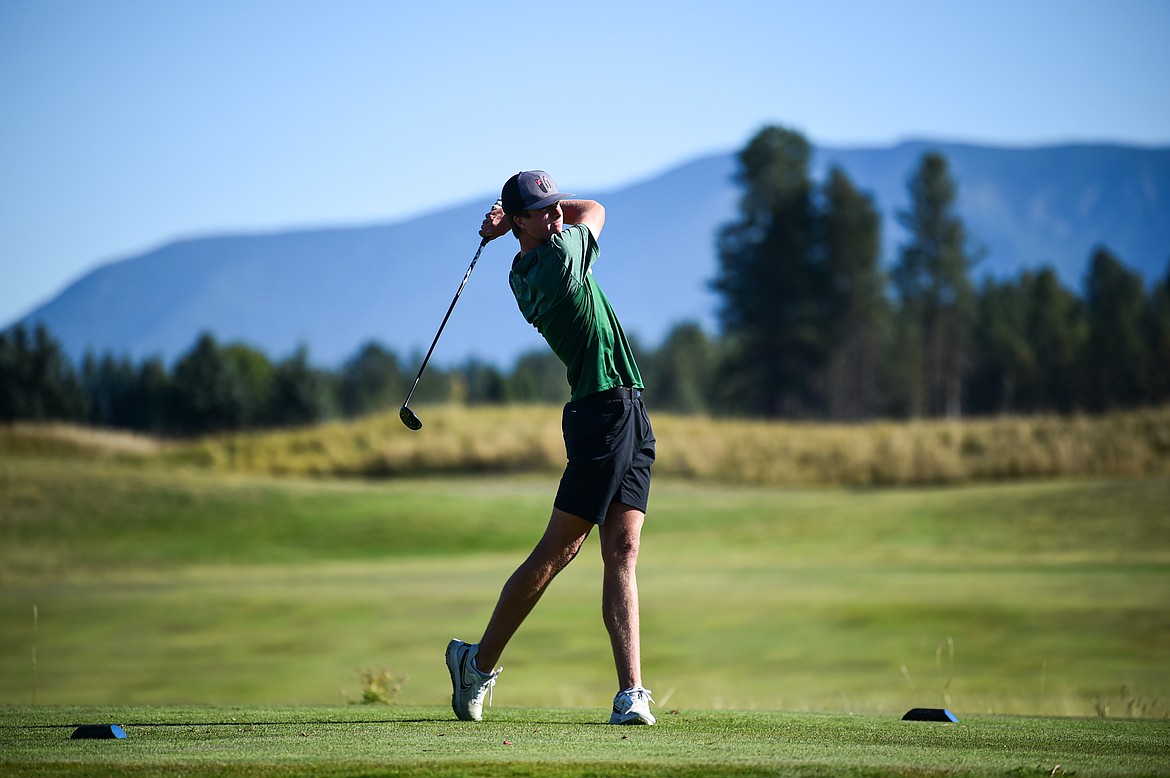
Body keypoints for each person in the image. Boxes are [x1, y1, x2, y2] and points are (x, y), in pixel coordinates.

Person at [445, 170, 657, 726]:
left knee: (624, 549)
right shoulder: (557, 261)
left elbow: (573, 214)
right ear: (519, 221)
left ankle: (631, 693)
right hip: (600, 414)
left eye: (552, 204)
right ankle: (478, 662)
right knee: (559, 551)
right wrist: (545, 211)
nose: (554, 213)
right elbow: (597, 209)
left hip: (628, 408)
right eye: (539, 209)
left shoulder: (527, 262)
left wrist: (505, 227)